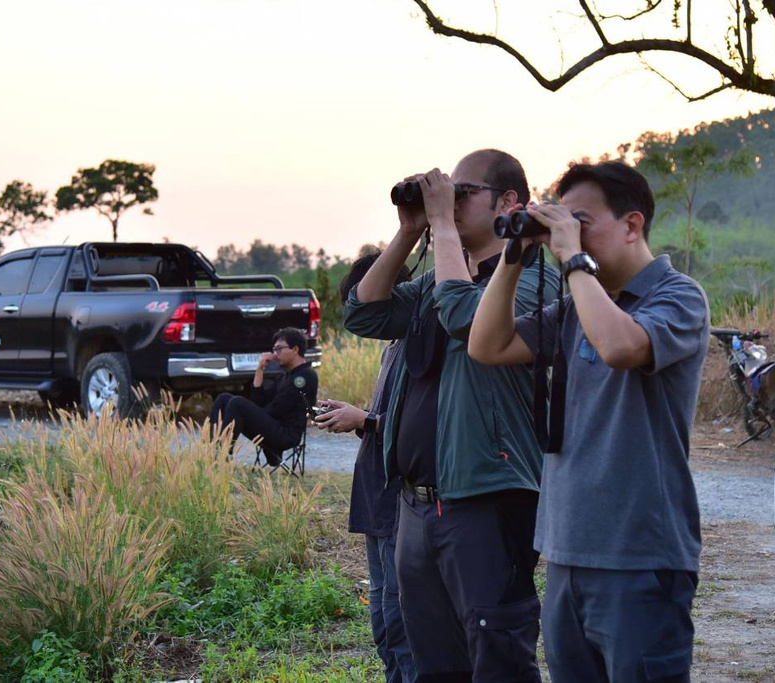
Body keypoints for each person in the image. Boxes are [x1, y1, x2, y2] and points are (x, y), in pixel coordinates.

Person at [468, 160, 709, 683]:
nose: (567, 235)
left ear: (631, 225)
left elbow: (621, 346)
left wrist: (574, 259)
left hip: (639, 558)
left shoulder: (679, 296)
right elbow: (486, 345)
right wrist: (513, 255)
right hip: (566, 551)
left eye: (581, 223)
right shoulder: (576, 307)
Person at [344, 149, 558, 682]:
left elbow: (465, 314)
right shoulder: (435, 280)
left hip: (486, 497)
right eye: (448, 194)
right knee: (435, 664)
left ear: (508, 202)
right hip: (417, 505)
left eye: (464, 193)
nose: (452, 202)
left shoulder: (535, 280)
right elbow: (363, 313)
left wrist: (441, 225)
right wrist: (409, 231)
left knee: (497, 657)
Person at [315, 251, 417, 683]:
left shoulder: (422, 343)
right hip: (375, 498)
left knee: (399, 618)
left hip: (399, 502)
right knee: (381, 617)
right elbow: (386, 418)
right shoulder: (393, 347)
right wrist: (358, 416)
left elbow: (426, 428)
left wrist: (366, 419)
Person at [209, 327, 318, 465]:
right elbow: (259, 401)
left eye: (279, 349)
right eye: (274, 349)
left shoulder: (305, 377)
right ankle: (212, 450)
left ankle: (221, 456)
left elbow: (276, 409)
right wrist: (260, 369)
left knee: (237, 404)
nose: (275, 354)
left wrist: (250, 413)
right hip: (274, 426)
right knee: (224, 399)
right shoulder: (286, 375)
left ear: (295, 349)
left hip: (285, 434)